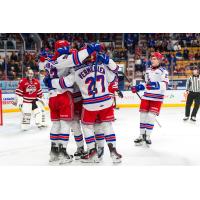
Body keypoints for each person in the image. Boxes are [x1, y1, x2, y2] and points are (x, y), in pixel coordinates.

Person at [47, 53, 122, 163]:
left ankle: (92, 152)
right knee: (107, 126)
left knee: (87, 127)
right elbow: (113, 76)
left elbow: (64, 83)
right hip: (106, 101)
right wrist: (107, 62)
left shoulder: (76, 70)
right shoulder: (102, 66)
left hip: (90, 104)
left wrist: (51, 82)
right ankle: (113, 151)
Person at [40, 40, 102, 164]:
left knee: (85, 126)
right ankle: (78, 149)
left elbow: (44, 65)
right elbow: (71, 72)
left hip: (65, 97)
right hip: (68, 97)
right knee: (72, 125)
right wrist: (88, 50)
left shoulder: (52, 61)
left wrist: (50, 81)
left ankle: (56, 151)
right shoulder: (67, 60)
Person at [131, 52, 169, 146]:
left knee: (151, 117)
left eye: (155, 58)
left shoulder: (163, 71)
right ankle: (141, 135)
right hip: (146, 96)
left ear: (159, 60)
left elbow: (165, 84)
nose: (153, 60)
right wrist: (139, 87)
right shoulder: (147, 70)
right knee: (142, 116)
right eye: (152, 58)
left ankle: (147, 136)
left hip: (157, 98)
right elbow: (146, 83)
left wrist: (155, 85)